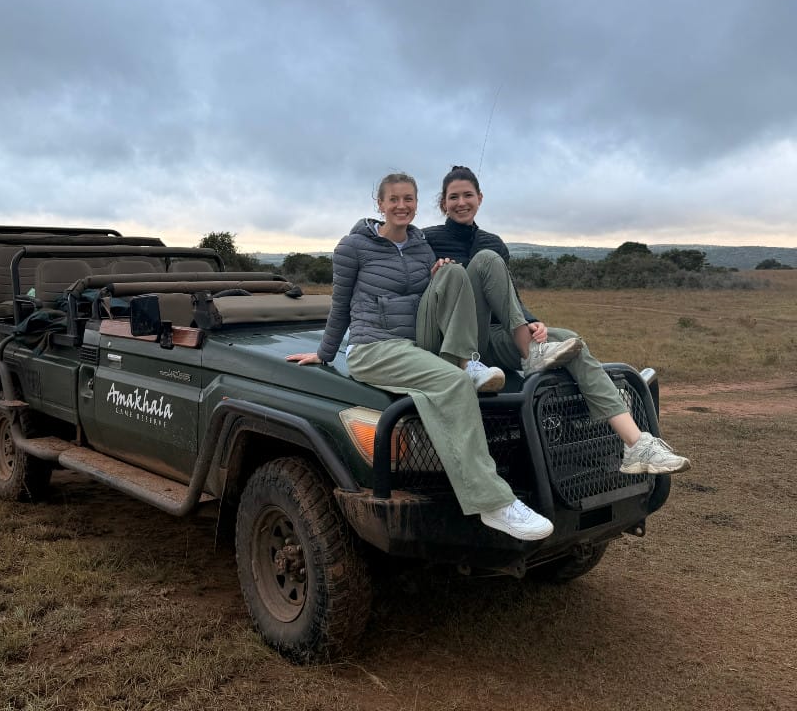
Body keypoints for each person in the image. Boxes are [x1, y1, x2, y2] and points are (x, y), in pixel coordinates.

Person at [287, 172, 553, 541]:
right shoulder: (353, 247)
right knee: (453, 384)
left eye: (408, 199)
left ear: (416, 203)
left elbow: (432, 299)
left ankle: (465, 359)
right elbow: (341, 304)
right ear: (380, 204)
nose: (401, 206)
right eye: (394, 199)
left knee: (452, 272)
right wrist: (324, 353)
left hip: (416, 344)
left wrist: (441, 274)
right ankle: (493, 502)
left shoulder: (419, 245)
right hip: (374, 347)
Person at [422, 165, 690, 475]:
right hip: (452, 340)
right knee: (486, 260)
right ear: (443, 203)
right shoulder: (427, 239)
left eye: (468, 195)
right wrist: (432, 276)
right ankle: (529, 354)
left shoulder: (493, 243)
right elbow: (413, 288)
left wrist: (532, 321)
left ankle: (636, 443)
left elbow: (509, 296)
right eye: (453, 197)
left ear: (480, 198)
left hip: (489, 336)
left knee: (570, 341)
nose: (461, 203)